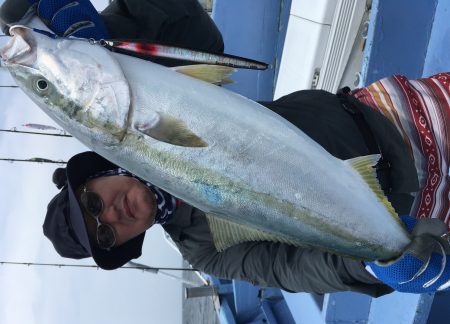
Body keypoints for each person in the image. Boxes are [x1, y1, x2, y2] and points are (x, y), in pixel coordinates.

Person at [1, 0, 449, 296]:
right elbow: (290, 269)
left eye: (92, 202)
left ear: (97, 174)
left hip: (399, 114)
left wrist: (104, 30)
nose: (112, 213)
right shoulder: (204, 250)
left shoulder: (143, 84)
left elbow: (190, 29)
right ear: (122, 242)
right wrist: (378, 263)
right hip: (420, 208)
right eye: (105, 233)